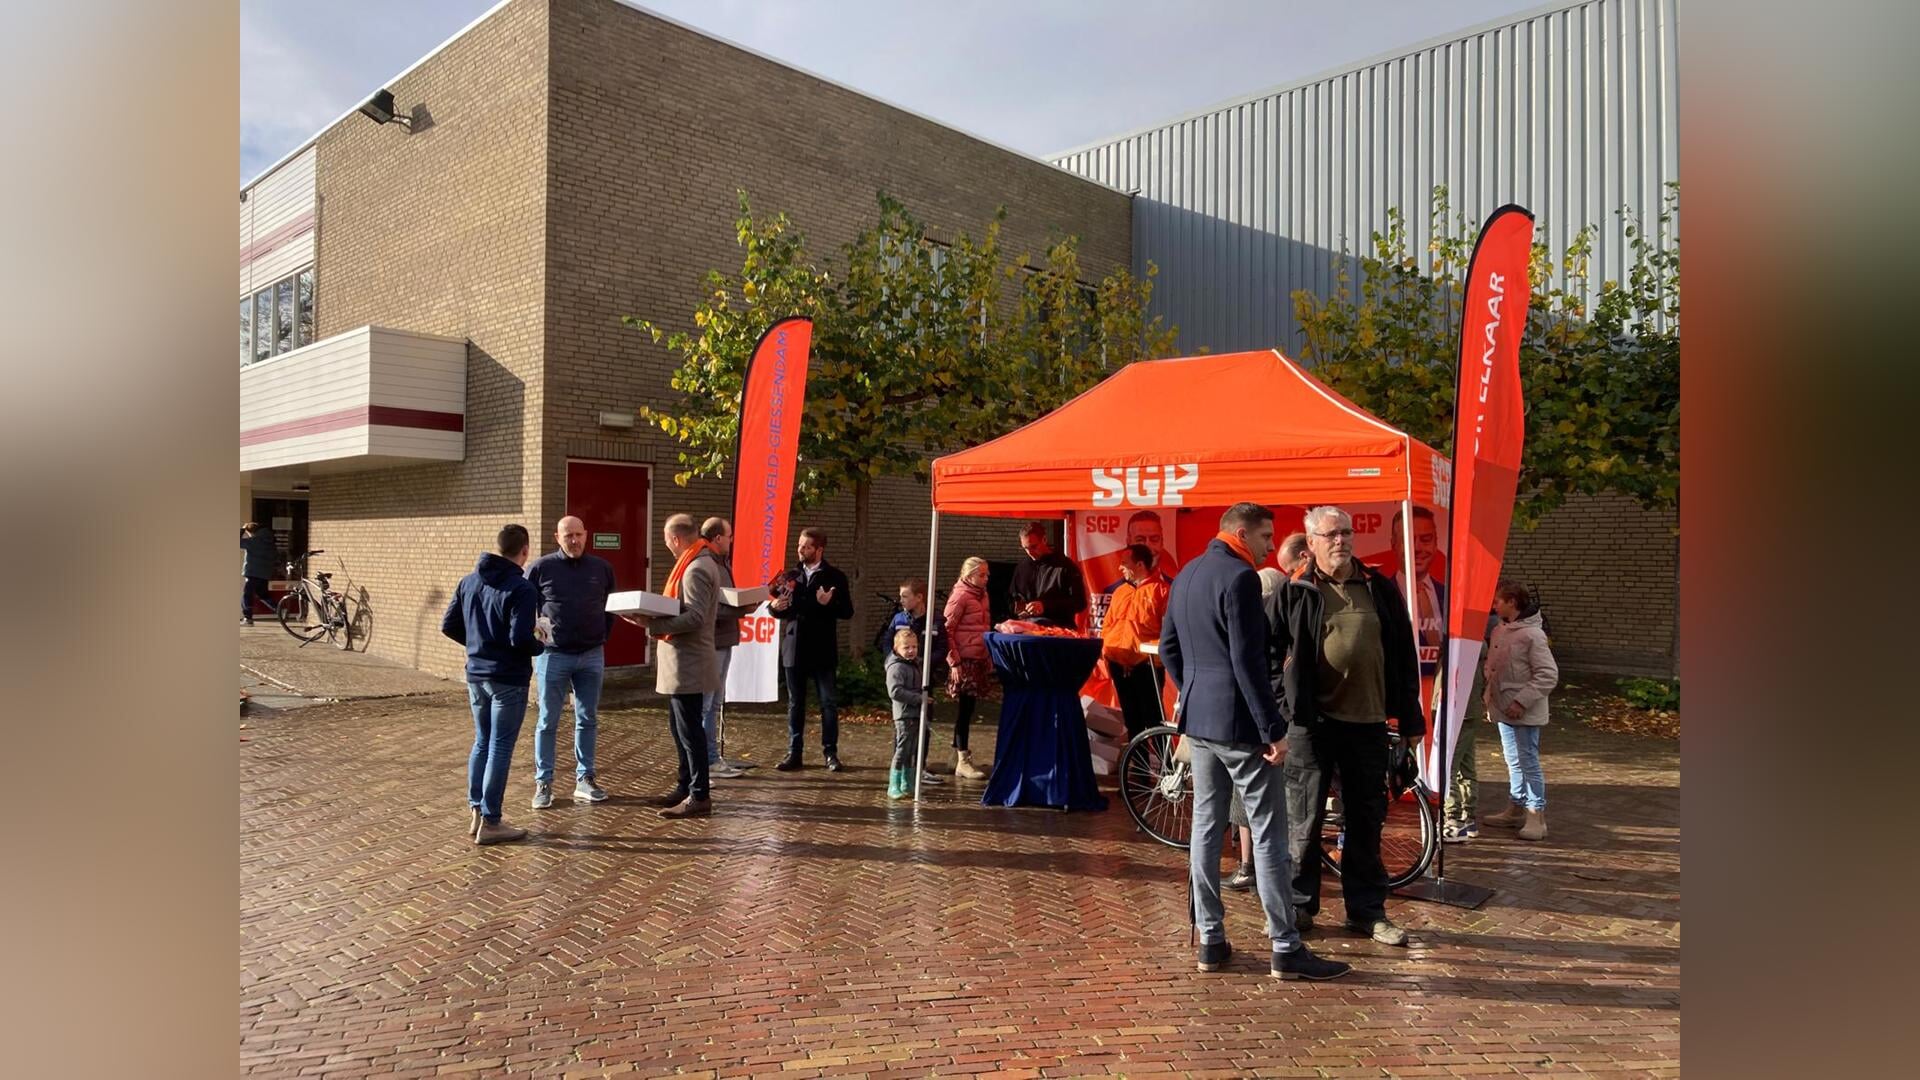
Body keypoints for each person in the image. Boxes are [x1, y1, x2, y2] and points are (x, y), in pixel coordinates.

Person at [1161, 502, 1350, 982]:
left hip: (1200, 721)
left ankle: (1210, 939)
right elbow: (1248, 662)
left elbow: (1169, 648)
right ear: (1241, 533)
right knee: (1268, 833)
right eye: (1266, 536)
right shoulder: (1240, 578)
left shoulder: (1186, 575)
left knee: (1206, 828)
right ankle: (1285, 946)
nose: (1272, 545)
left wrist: (1196, 692)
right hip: (1242, 726)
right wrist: (1272, 729)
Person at [1270, 506, 1427, 947]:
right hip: (1311, 725)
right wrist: (1283, 709)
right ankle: (1300, 907)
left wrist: (1410, 716)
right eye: (1331, 534)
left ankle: (1367, 911)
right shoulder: (1295, 589)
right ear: (1311, 542)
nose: (1341, 541)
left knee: (1366, 819)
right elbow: (1268, 651)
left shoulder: (1378, 587)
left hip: (1368, 722)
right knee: (1304, 818)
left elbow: (1400, 652)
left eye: (1346, 533)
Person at [440, 524, 545, 846]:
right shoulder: (522, 589)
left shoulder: (468, 581)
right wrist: (541, 644)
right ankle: (492, 820)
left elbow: (449, 625)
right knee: (499, 747)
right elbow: (519, 639)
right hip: (508, 679)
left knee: (482, 742)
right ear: (524, 551)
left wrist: (478, 645)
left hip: (476, 675)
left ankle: (476, 812)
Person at [621, 513, 723, 819]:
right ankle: (685, 786)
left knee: (690, 730)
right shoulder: (696, 563)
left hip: (688, 663)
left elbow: (696, 617)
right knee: (680, 728)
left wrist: (651, 624)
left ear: (676, 539)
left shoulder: (696, 569)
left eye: (667, 540)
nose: (667, 546)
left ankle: (699, 795)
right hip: (682, 662)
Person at [526, 516, 617, 809]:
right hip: (553, 656)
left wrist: (601, 634)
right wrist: (536, 638)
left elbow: (610, 607)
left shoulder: (601, 568)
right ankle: (544, 782)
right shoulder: (541, 568)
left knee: (587, 717)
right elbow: (525, 607)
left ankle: (585, 779)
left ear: (586, 535)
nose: (574, 541)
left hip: (592, 654)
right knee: (547, 720)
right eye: (568, 536)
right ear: (557, 537)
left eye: (579, 534)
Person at [1479, 580, 1559, 841]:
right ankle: (1516, 806)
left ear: (1512, 602)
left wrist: (1521, 701)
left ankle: (1537, 814)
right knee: (1512, 759)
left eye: (1498, 601)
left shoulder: (1532, 635)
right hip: (1503, 707)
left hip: (1522, 710)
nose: (1494, 605)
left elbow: (1548, 674)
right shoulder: (1502, 630)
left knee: (1528, 760)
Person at [770, 527, 854, 771]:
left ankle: (831, 753)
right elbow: (774, 609)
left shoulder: (835, 577)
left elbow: (848, 612)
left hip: (822, 648)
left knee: (828, 702)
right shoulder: (789, 575)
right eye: (800, 545)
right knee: (796, 703)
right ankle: (794, 753)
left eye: (807, 546)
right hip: (794, 648)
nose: (801, 550)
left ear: (819, 549)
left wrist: (829, 603)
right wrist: (776, 607)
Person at [699, 517, 761, 781]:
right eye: (729, 536)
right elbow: (709, 606)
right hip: (713, 641)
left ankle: (712, 757)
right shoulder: (706, 564)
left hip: (725, 639)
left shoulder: (721, 562)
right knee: (706, 704)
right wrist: (741, 608)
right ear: (717, 538)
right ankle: (707, 760)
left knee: (714, 703)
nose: (732, 540)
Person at [1100, 543, 1170, 740]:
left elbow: (1168, 632)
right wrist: (1107, 654)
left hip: (1146, 666)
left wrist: (1153, 660)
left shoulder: (1161, 591)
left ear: (1139, 564)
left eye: (1124, 563)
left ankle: (1166, 768)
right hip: (1118, 664)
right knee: (1132, 720)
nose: (1120, 567)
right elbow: (1108, 626)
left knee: (1153, 719)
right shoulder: (1120, 592)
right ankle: (1138, 768)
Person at [942, 556, 993, 780]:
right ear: (969, 575)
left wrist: (987, 654)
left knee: (969, 709)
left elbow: (983, 626)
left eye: (987, 574)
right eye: (982, 574)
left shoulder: (983, 596)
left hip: (978, 658)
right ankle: (962, 758)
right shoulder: (960, 596)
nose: (986, 578)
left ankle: (956, 755)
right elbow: (946, 630)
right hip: (964, 661)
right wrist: (954, 661)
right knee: (965, 709)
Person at [884, 629, 945, 799]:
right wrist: (918, 698)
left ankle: (907, 782)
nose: (911, 650)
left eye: (914, 647)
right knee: (902, 749)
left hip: (916, 713)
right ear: (896, 648)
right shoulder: (896, 667)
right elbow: (895, 692)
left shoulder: (916, 664)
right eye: (906, 647)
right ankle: (893, 784)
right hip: (904, 714)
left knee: (912, 750)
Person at [1009, 522, 1087, 626]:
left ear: (1044, 540)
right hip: (1029, 628)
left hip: (1058, 630)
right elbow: (1012, 597)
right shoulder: (1022, 567)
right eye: (1025, 548)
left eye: (1033, 547)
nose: (1030, 552)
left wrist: (1045, 606)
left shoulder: (1065, 566)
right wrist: (1017, 607)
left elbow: (1080, 602)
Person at [1101, 510, 1178, 592]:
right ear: (1129, 542)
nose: (1148, 546)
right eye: (1140, 540)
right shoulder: (1113, 592)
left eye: (1154, 539)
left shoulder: (1174, 588)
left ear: (1162, 542)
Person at [889, 578, 946, 672]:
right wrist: (894, 661)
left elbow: (942, 648)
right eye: (900, 597)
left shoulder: (936, 620)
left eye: (905, 596)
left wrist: (923, 662)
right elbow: (887, 642)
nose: (901, 601)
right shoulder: (898, 619)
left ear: (919, 597)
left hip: (926, 672)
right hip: (901, 670)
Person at [240, 522, 277, 625]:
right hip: (265, 573)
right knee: (263, 594)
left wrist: (242, 529)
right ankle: (280, 609)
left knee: (247, 594)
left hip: (253, 573)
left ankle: (248, 618)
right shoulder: (270, 542)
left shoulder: (254, 541)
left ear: (251, 532)